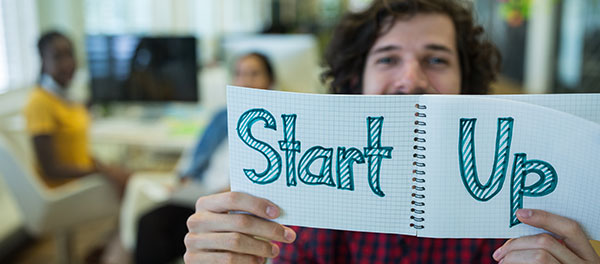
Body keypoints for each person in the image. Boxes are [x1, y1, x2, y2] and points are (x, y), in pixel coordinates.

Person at [183, 0, 600, 264]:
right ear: (354, 82)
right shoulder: (306, 196)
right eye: (387, 59)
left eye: (436, 59)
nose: (411, 79)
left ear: (466, 83)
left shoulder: (521, 207)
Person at [134, 52, 275, 264]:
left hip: (229, 204)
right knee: (148, 222)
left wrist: (221, 194)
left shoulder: (275, 125)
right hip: (197, 194)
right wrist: (184, 180)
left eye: (254, 74)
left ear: (270, 81)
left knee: (175, 232)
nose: (245, 81)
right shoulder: (222, 117)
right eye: (239, 74)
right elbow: (194, 156)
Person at [24, 31, 129, 193]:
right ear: (43, 61)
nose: (67, 63)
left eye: (70, 55)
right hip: (65, 190)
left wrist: (105, 168)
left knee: (129, 177)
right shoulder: (40, 102)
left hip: (83, 179)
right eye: (58, 57)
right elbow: (50, 169)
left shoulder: (68, 98)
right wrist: (102, 173)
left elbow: (77, 152)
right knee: (134, 186)